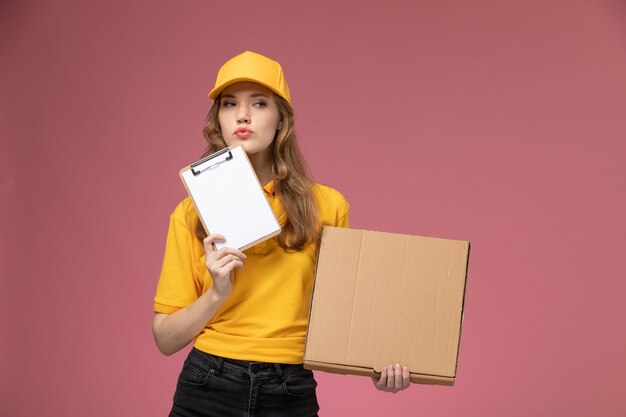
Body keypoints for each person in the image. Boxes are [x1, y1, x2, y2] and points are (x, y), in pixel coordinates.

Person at [153, 51, 410, 417]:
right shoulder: (190, 213)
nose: (243, 115)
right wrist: (217, 293)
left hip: (289, 388)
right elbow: (165, 339)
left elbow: (346, 315)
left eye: (259, 103)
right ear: (219, 121)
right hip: (208, 382)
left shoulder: (328, 206)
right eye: (230, 105)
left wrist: (378, 364)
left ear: (280, 121)